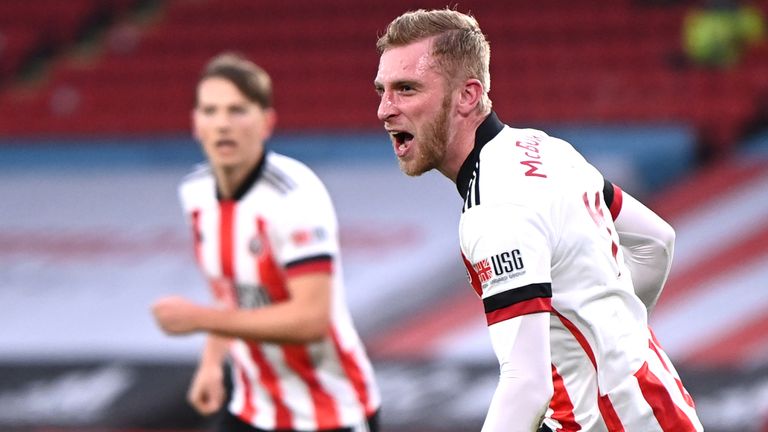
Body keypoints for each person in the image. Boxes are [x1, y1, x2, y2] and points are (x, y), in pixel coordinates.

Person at [374, 8, 702, 431]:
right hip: (659, 406)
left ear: (468, 95)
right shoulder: (540, 147)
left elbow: (526, 385)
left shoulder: (495, 209)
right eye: (382, 90)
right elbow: (656, 242)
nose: (385, 109)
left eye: (407, 89)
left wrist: (596, 369)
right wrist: (610, 349)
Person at [151, 52, 381, 432]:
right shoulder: (194, 192)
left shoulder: (294, 195)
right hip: (252, 408)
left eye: (237, 110)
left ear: (266, 122)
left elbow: (310, 319)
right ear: (196, 123)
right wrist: (211, 364)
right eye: (210, 111)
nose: (222, 124)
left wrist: (196, 319)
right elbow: (229, 293)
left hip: (329, 411)